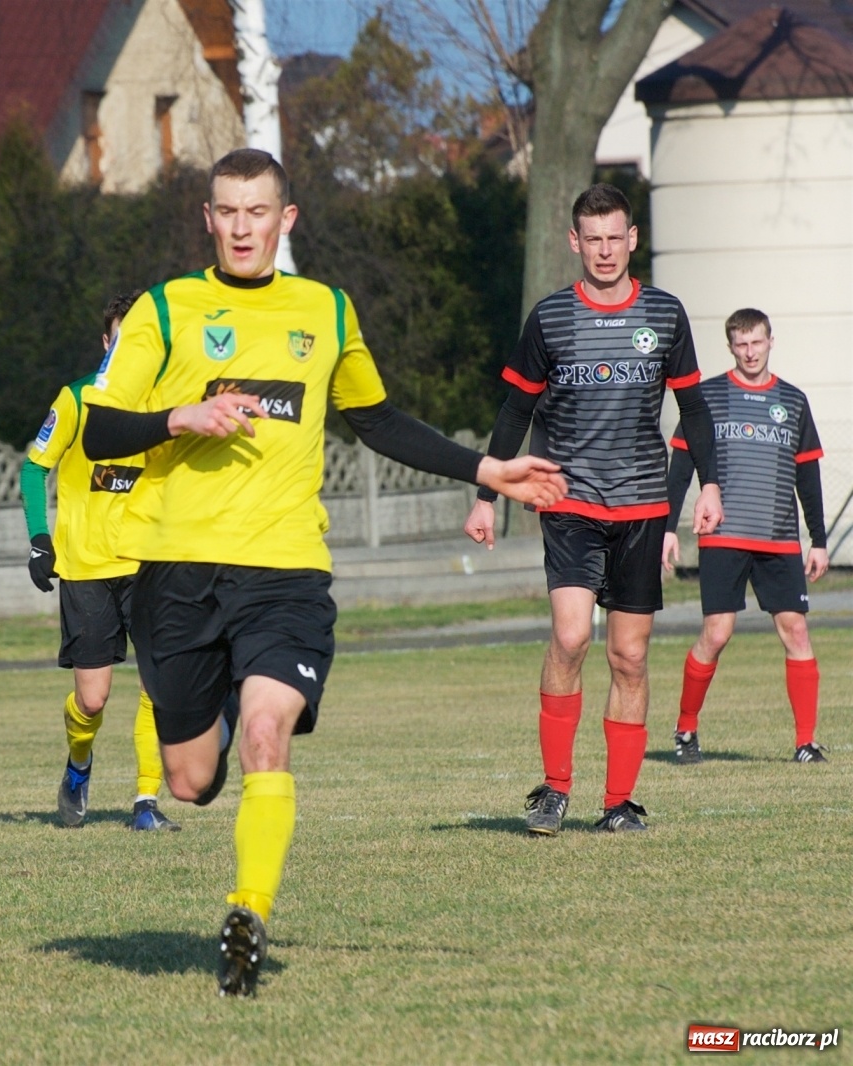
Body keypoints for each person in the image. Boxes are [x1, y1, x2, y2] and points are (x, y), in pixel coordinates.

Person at [82, 148, 567, 997]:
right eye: (226, 212)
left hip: (285, 571)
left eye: (256, 212)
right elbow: (101, 431)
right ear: (208, 218)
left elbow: (376, 420)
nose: (240, 227)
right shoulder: (165, 310)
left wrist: (486, 470)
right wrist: (176, 415)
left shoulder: (327, 312)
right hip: (178, 573)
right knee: (192, 780)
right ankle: (228, 700)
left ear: (285, 219)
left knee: (271, 739)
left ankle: (248, 915)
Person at [463, 182, 723, 837]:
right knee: (573, 637)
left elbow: (693, 408)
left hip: (641, 508)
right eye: (593, 239)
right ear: (574, 241)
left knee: (630, 658)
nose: (605, 251)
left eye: (616, 237)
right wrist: (486, 493)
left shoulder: (665, 314)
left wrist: (709, 487)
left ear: (633, 238)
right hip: (570, 501)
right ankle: (553, 790)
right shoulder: (550, 318)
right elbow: (516, 409)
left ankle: (619, 802)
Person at [21, 291, 178, 832]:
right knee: (92, 699)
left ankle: (145, 805)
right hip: (86, 569)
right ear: (105, 341)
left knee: (159, 682)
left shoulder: (162, 405)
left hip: (147, 562)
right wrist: (41, 540)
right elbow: (32, 468)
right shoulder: (78, 398)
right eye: (119, 336)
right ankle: (78, 767)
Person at [662, 308, 830, 764]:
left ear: (770, 341)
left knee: (796, 631)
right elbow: (680, 465)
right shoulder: (708, 397)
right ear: (730, 346)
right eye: (741, 344)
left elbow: (807, 474)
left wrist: (818, 538)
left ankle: (804, 742)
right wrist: (666, 528)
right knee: (717, 633)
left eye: (757, 342)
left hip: (778, 539)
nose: (750, 352)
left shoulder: (793, 401)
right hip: (724, 536)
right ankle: (686, 728)